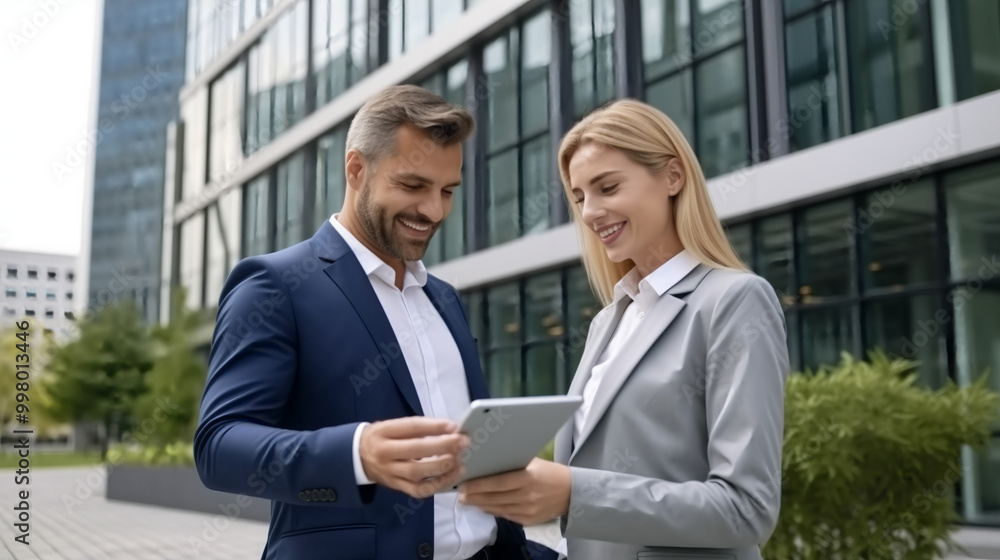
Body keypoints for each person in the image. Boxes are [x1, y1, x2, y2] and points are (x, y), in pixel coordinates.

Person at [195, 85, 538, 560]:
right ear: (356, 169)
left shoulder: (444, 299)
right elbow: (220, 445)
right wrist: (357, 453)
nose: (434, 210)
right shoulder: (277, 284)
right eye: (413, 186)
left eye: (447, 191)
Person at [458, 99, 790, 560]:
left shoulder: (734, 301)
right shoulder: (609, 320)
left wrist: (573, 493)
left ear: (673, 177)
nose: (590, 212)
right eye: (579, 197)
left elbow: (746, 509)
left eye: (607, 187)